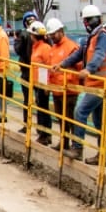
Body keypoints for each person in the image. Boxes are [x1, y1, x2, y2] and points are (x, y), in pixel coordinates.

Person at [58, 4, 106, 158]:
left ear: (98, 19)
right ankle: (103, 157)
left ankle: (77, 149)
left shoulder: (103, 36)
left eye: (89, 20)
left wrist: (89, 69)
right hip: (96, 85)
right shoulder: (91, 38)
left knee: (80, 112)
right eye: (86, 20)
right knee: (99, 123)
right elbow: (79, 54)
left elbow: (99, 55)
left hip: (102, 84)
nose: (87, 23)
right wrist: (62, 64)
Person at [30, 17, 74, 147]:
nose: (52, 37)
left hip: (68, 89)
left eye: (54, 34)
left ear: (61, 31)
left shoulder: (70, 47)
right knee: (60, 118)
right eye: (51, 34)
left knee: (70, 119)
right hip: (55, 88)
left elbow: (77, 67)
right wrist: (48, 84)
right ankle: (64, 142)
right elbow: (49, 68)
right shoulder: (53, 48)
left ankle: (74, 145)